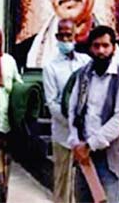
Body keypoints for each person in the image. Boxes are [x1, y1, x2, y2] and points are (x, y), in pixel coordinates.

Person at [67, 26, 119, 203]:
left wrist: (90, 145)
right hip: (84, 156)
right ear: (90, 48)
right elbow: (73, 110)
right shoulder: (83, 75)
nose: (101, 51)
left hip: (109, 159)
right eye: (96, 46)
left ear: (113, 48)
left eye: (105, 46)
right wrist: (76, 142)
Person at [42, 18, 91, 203]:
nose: (65, 39)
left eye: (68, 35)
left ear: (75, 36)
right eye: (61, 35)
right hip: (63, 135)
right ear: (56, 37)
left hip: (86, 137)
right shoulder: (50, 67)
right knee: (62, 185)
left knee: (83, 184)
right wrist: (72, 123)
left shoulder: (86, 62)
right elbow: (52, 103)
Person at [0, 25, 23, 202]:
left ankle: (2, 199)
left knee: (4, 171)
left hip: (6, 123)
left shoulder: (9, 61)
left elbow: (18, 85)